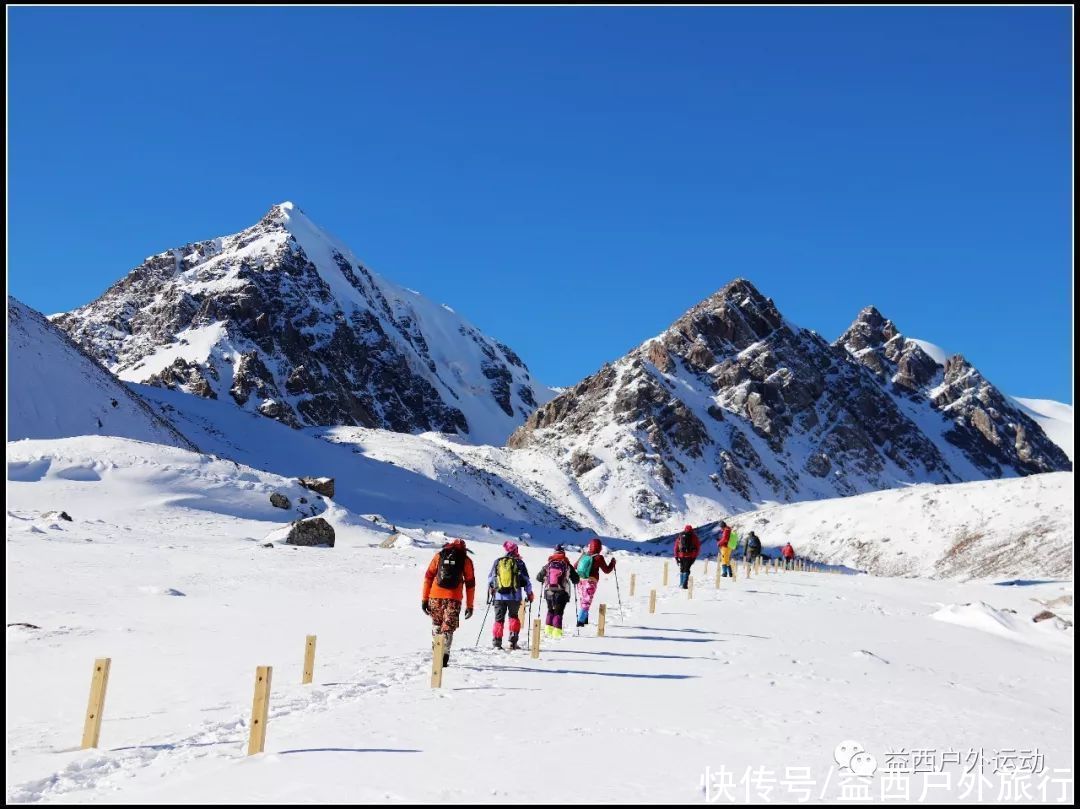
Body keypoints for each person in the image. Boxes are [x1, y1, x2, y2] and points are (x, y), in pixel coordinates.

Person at [422, 538, 476, 667]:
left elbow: (428, 577)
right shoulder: (465, 560)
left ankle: (436, 653)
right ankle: (444, 657)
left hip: (435, 596)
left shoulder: (439, 555)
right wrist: (470, 605)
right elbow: (470, 584)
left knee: (437, 624)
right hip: (454, 597)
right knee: (448, 628)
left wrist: (424, 599)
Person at [486, 541, 533, 649]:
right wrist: (529, 594)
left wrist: (491, 590)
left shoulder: (498, 561)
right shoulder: (519, 563)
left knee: (498, 619)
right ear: (515, 550)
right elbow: (526, 581)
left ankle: (497, 643)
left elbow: (490, 579)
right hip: (514, 596)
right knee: (514, 617)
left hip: (499, 596)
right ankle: (513, 642)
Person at [535, 543, 580, 638]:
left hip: (549, 591)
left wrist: (546, 579)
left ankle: (548, 630)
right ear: (563, 552)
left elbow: (538, 577)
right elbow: (576, 579)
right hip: (562, 592)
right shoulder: (567, 564)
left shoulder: (549, 564)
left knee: (550, 610)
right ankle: (557, 633)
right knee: (559, 612)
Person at [575, 538, 616, 627]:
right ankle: (580, 623)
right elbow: (607, 570)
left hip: (581, 581)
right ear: (600, 547)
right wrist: (612, 563)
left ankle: (584, 620)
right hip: (591, 582)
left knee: (583, 600)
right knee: (586, 602)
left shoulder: (584, 555)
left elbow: (575, 566)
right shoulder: (598, 557)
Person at [673, 524, 701, 589]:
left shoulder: (680, 536)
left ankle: (681, 583)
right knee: (687, 569)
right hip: (690, 556)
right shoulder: (694, 537)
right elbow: (698, 548)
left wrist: (676, 557)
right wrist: (694, 557)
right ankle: (684, 584)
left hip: (681, 555)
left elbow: (676, 547)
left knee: (682, 569)